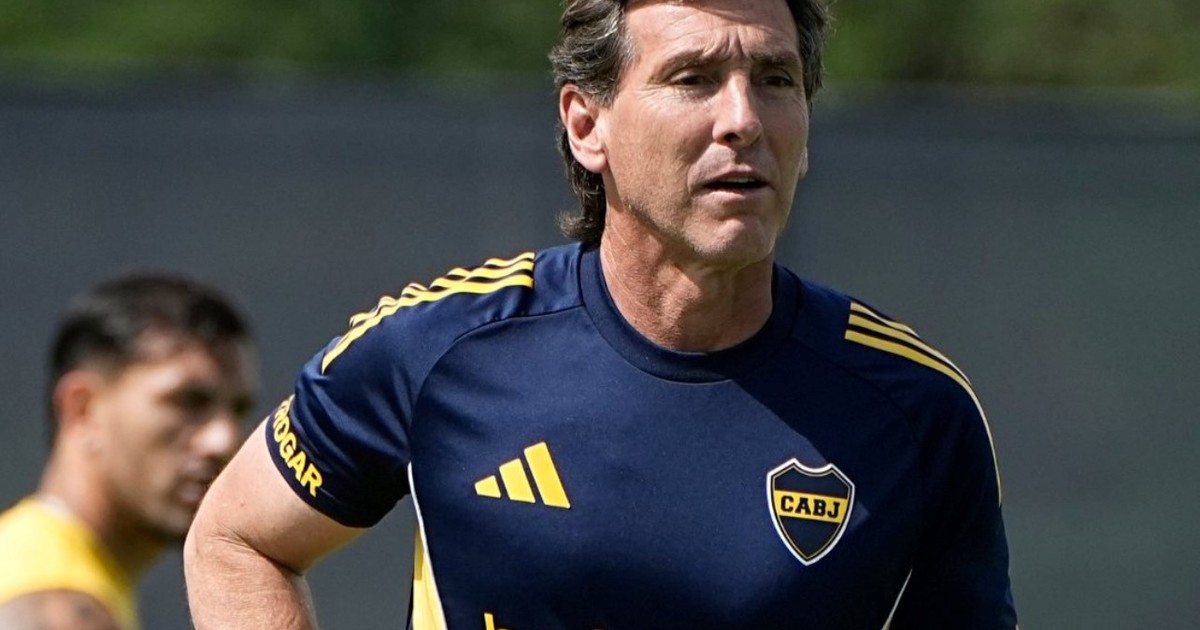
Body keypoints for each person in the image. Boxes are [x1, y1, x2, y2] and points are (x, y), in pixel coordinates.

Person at [184, 0, 1018, 627]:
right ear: (588, 125)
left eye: (775, 80)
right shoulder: (441, 348)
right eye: (692, 79)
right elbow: (236, 540)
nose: (742, 120)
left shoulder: (916, 410)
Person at [0, 272, 258, 629]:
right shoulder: (54, 605)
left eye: (238, 412)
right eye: (189, 401)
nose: (224, 440)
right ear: (83, 409)